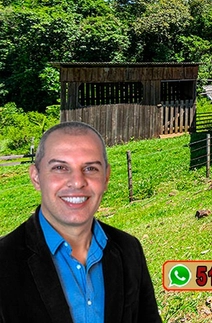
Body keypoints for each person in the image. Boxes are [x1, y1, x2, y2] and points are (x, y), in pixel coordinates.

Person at [0, 121, 161, 323]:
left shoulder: (129, 249)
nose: (77, 182)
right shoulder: (4, 260)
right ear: (36, 177)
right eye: (60, 167)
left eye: (90, 168)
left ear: (106, 177)